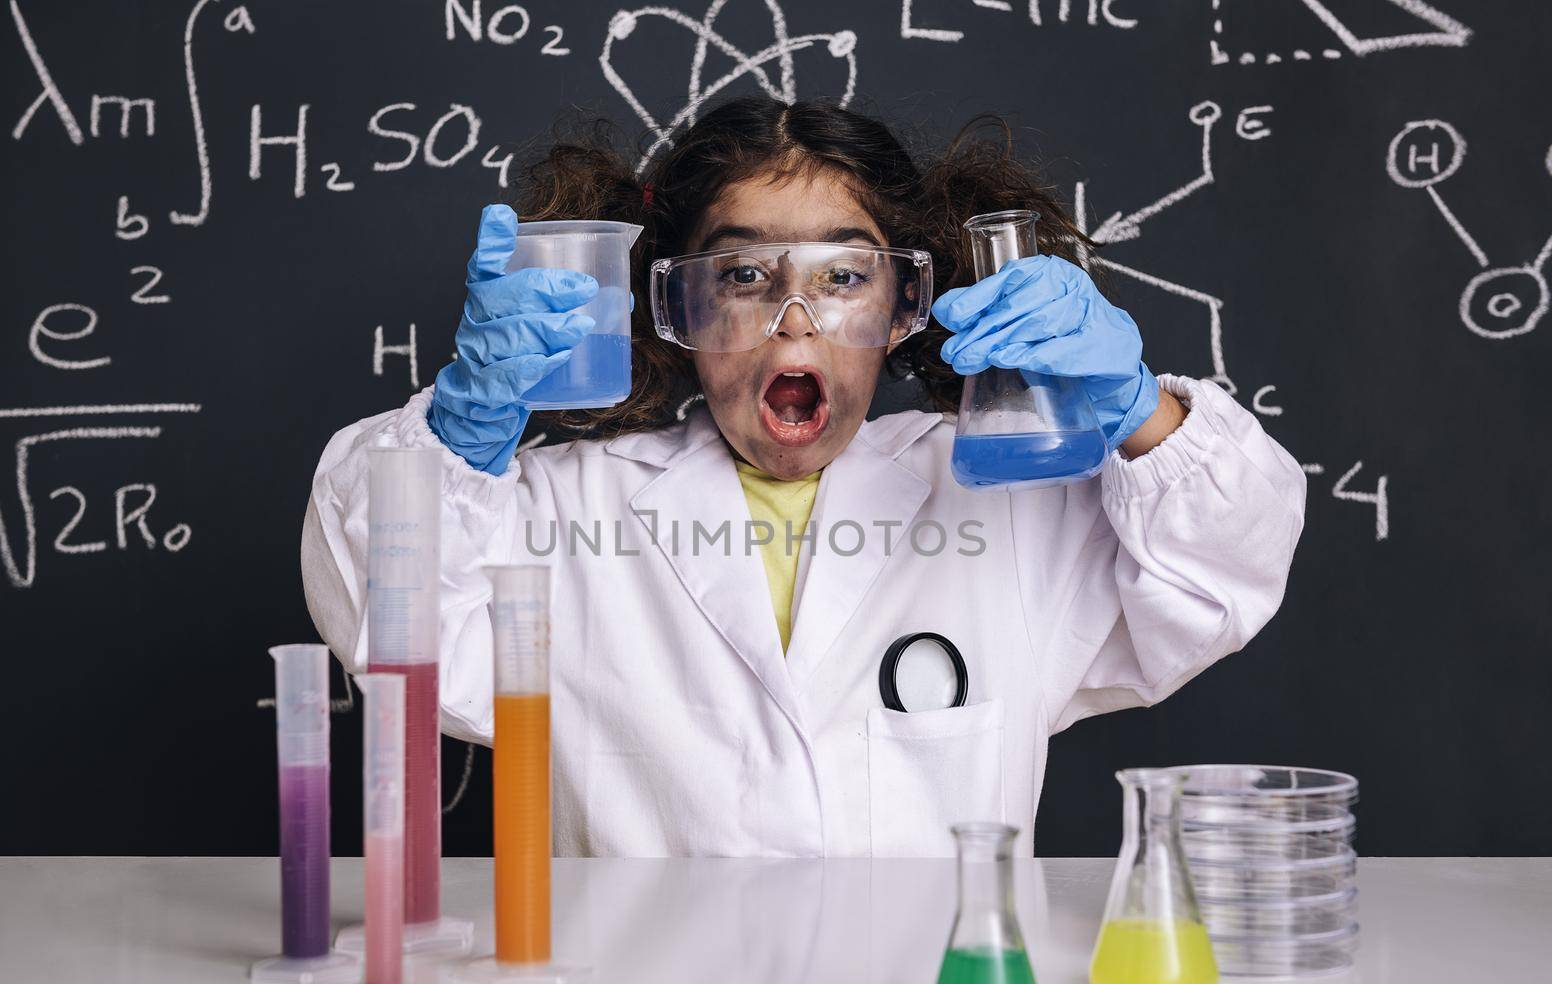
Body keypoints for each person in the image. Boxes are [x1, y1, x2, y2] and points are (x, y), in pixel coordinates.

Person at [303, 98, 1306, 858]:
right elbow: (394, 639)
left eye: (843, 276)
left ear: (909, 304)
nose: (794, 319)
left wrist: (1137, 408)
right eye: (742, 276)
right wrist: (462, 428)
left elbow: (1216, 579)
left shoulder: (1004, 504)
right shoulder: (571, 510)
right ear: (675, 309)